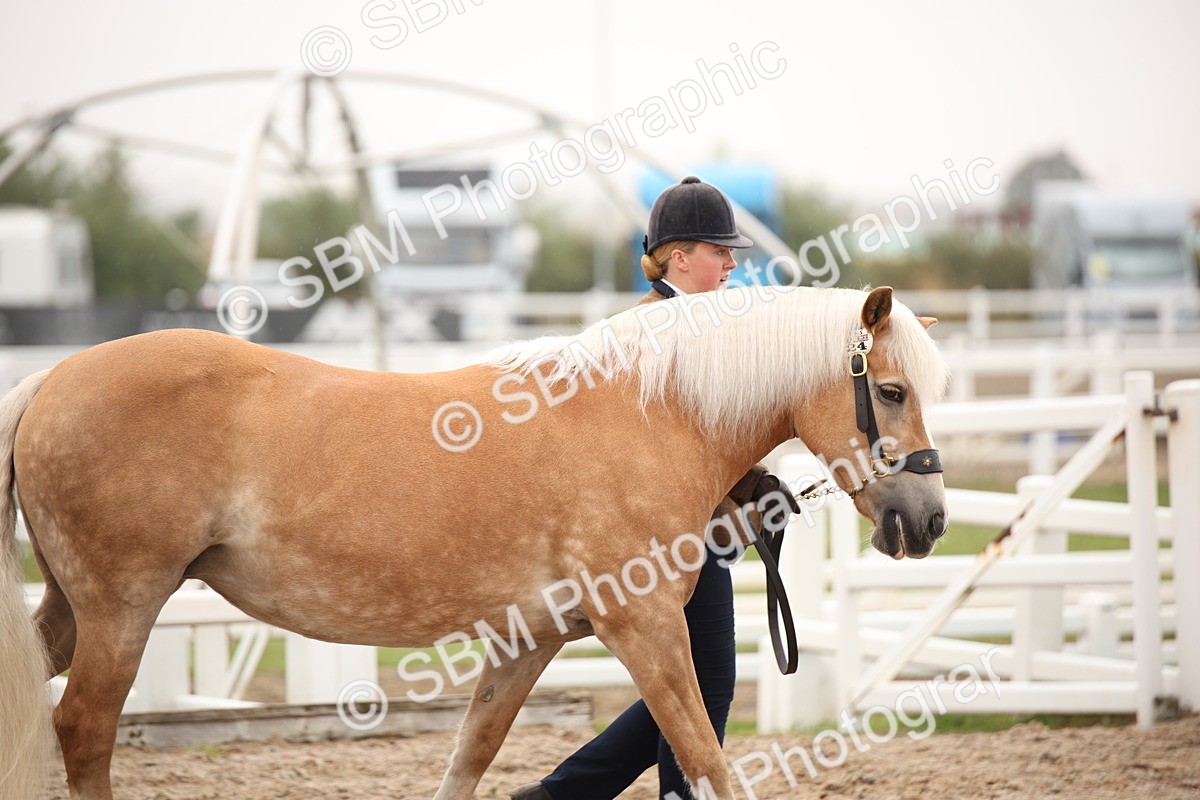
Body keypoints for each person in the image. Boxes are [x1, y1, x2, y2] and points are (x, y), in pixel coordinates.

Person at [512, 177, 792, 800]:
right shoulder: (652, 336)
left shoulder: (703, 330)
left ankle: (564, 794)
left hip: (696, 531)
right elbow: (661, 453)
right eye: (719, 251)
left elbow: (709, 442)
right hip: (666, 537)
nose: (730, 264)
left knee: (692, 684)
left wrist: (756, 488)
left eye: (731, 253)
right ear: (678, 257)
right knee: (703, 684)